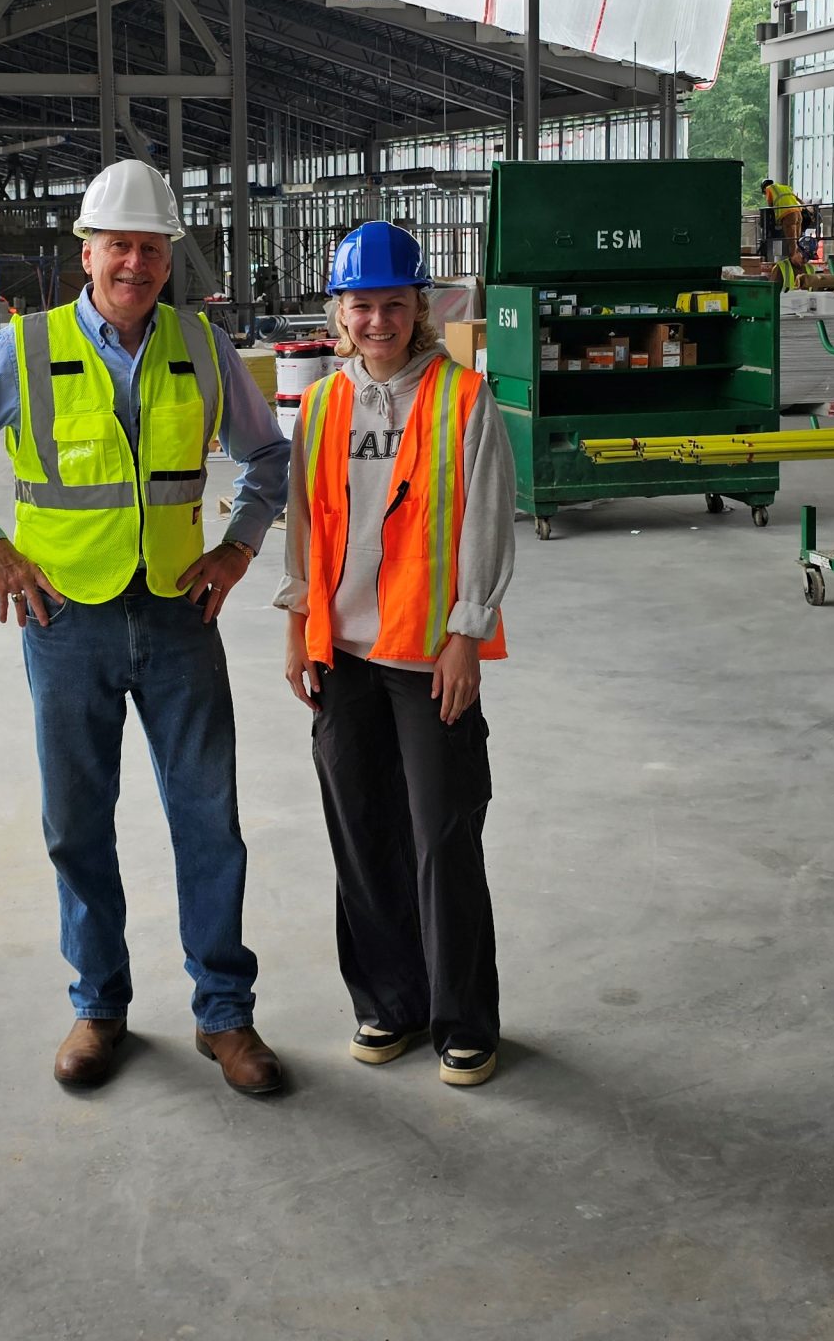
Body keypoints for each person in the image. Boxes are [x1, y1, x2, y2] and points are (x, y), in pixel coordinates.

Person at [0, 159, 294, 1098]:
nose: (135, 263)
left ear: (169, 260)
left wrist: (237, 549)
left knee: (208, 819)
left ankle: (225, 1018)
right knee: (77, 823)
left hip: (176, 613)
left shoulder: (203, 347)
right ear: (87, 253)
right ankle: (100, 1007)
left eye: (151, 248)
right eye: (119, 245)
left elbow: (270, 455)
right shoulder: (26, 348)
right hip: (65, 618)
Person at [277, 222, 516, 1088]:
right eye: (360, 303)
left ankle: (463, 1020)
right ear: (338, 311)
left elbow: (486, 519)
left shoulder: (460, 398)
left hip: (427, 656)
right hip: (342, 654)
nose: (376, 319)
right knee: (362, 835)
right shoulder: (326, 405)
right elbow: (304, 522)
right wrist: (297, 625)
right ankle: (388, 1002)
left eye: (392, 303)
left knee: (444, 836)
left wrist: (465, 632)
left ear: (420, 308)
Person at [760, 177, 807, 290]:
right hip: (798, 213)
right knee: (797, 239)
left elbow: (770, 205)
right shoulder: (785, 187)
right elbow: (799, 200)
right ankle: (799, 259)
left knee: (791, 241)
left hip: (787, 214)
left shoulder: (769, 189)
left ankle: (794, 263)